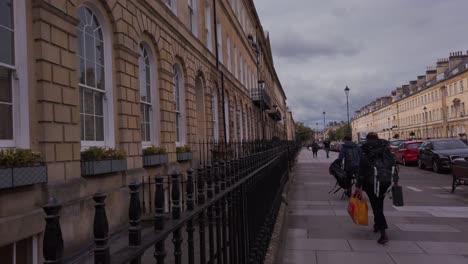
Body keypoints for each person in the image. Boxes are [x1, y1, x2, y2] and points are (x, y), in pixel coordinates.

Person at [355, 132, 399, 245]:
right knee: (379, 203)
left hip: (371, 181)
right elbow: (393, 164)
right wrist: (395, 180)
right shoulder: (385, 148)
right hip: (385, 180)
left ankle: (383, 233)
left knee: (376, 206)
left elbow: (362, 168)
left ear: (368, 139)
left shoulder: (366, 149)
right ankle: (377, 224)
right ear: (377, 139)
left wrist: (358, 185)